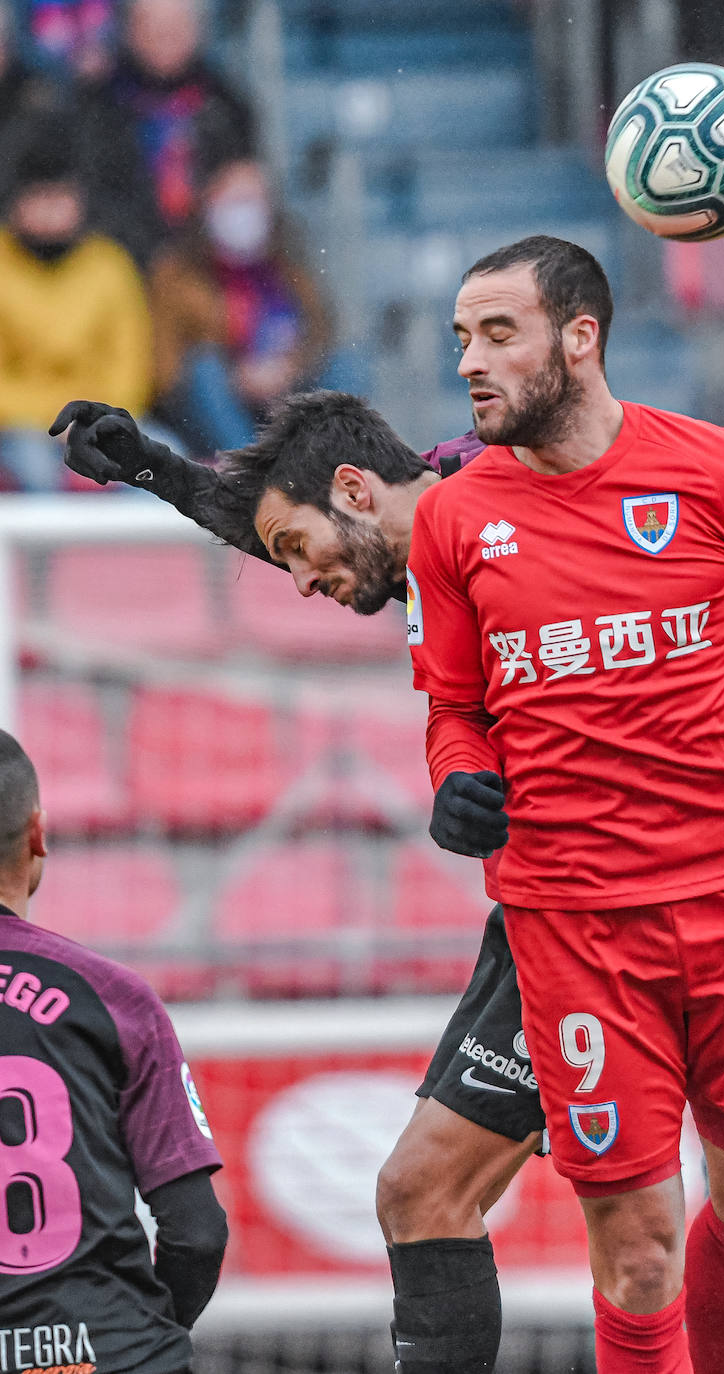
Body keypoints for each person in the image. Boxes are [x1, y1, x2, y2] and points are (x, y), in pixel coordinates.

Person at [403, 234, 724, 1374]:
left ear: (580, 339)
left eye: (498, 335)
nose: (470, 364)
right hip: (576, 928)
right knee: (634, 1254)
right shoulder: (452, 520)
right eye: (459, 341)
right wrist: (456, 783)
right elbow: (452, 705)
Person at [49, 389, 539, 1374]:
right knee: (444, 1196)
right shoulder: (423, 547)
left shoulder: (510, 499)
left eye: (297, 552)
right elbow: (298, 519)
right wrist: (155, 468)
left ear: (356, 487)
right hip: (548, 907)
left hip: (647, 890)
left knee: (665, 1214)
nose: (301, 583)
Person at [0, 727, 228, 1369]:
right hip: (106, 1351)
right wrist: (136, 1339)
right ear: (38, 833)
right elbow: (197, 1233)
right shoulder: (113, 997)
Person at [0, 123, 153, 490]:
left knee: (162, 463)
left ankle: (133, 550)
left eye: (62, 197)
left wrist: (94, 419)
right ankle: (42, 551)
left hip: (102, 419)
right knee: (37, 472)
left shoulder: (110, 265)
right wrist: (54, 419)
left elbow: (132, 368)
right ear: (17, 203)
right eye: (40, 197)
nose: (52, 210)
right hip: (18, 428)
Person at [148, 155, 334, 454]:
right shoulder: (177, 273)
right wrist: (236, 377)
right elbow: (165, 367)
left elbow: (320, 334)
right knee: (205, 369)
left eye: (253, 201)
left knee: (346, 364)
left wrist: (289, 368)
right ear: (209, 204)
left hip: (284, 393)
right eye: (235, 201)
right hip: (210, 409)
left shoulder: (289, 267)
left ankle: (329, 460)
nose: (244, 213)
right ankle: (249, 469)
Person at [83, 0, 256, 249]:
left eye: (176, 24)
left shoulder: (227, 106)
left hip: (203, 261)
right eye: (151, 25)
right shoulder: (97, 106)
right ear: (128, 32)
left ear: (198, 31)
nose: (164, 35)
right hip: (121, 257)